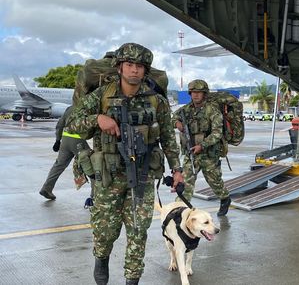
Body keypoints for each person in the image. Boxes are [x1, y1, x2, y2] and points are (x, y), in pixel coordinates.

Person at [66, 43, 183, 285]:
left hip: (142, 175)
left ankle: (132, 279)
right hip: (108, 175)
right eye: (129, 65)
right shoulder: (102, 95)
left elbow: (168, 138)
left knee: (138, 232)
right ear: (120, 67)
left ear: (145, 71)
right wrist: (98, 119)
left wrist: (177, 170)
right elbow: (72, 122)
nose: (134, 71)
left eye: (140, 66)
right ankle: (101, 259)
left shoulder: (156, 101)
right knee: (105, 230)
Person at [172, 79, 231, 216]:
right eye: (193, 92)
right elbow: (172, 118)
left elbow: (217, 133)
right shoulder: (185, 110)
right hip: (191, 152)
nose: (196, 95)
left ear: (204, 94)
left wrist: (202, 145)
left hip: (209, 153)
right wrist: (177, 123)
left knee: (214, 181)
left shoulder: (213, 111)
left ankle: (225, 198)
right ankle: (180, 210)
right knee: (186, 183)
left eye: (199, 92)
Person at [39, 105, 90, 200]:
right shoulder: (88, 106)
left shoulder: (70, 108)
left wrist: (58, 140)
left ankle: (46, 188)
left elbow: (60, 124)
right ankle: (95, 195)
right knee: (92, 165)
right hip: (78, 140)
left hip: (65, 139)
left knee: (58, 165)